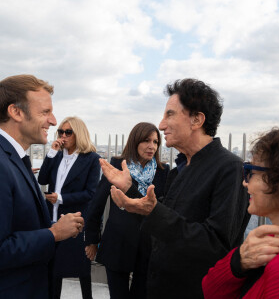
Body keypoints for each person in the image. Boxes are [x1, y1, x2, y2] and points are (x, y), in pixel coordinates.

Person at [100, 78, 250, 298]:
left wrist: (153, 211)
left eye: (169, 114)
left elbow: (216, 246)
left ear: (197, 120)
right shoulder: (180, 169)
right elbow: (163, 215)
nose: (161, 125)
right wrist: (131, 189)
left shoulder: (230, 169)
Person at [0, 74, 84, 299]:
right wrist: (53, 233)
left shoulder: (13, 159)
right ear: (16, 112)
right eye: (45, 112)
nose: (54, 121)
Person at [202, 126, 279, 298]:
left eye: (251, 173)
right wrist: (238, 262)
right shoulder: (268, 241)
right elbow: (210, 289)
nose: (245, 183)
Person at [85, 122, 170, 299]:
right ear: (135, 141)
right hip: (118, 242)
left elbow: (161, 208)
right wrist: (92, 240)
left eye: (155, 142)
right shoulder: (117, 165)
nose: (151, 146)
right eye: (146, 140)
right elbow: (96, 204)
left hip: (148, 247)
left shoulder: (163, 171)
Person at [38, 116, 100, 299]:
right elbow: (42, 180)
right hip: (52, 220)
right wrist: (51, 153)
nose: (63, 135)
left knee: (82, 269)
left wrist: (61, 198)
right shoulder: (56, 156)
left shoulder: (91, 159)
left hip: (75, 221)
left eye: (68, 132)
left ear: (78, 134)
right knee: (54, 269)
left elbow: (90, 192)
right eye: (61, 131)